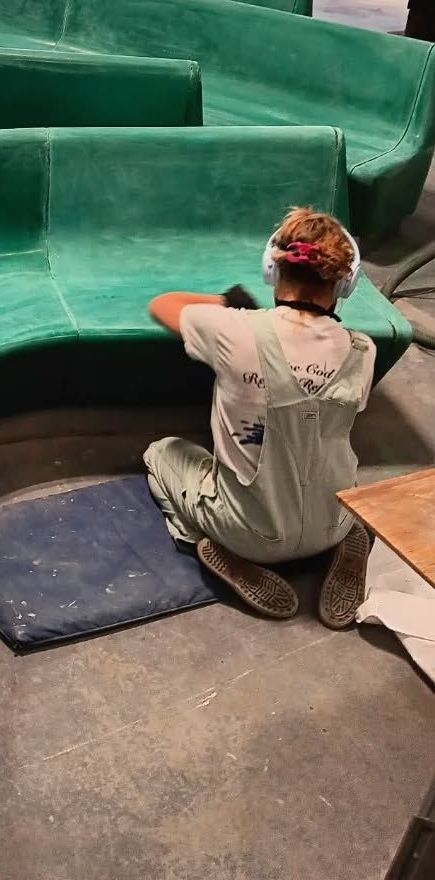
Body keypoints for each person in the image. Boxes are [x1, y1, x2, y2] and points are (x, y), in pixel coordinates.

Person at [143, 207, 374, 627]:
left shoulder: (233, 330)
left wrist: (226, 303)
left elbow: (161, 305)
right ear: (345, 282)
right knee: (329, 449)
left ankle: (210, 544)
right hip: (333, 520)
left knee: (162, 452)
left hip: (248, 534)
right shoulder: (362, 349)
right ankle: (343, 537)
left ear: (272, 269)